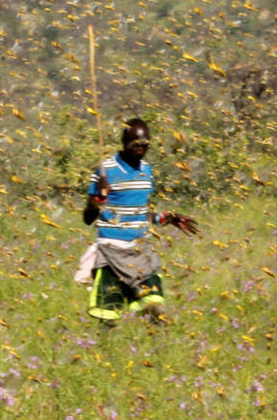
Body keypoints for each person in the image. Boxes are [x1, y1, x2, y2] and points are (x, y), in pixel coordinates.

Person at [78, 117, 198, 325]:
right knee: (108, 315)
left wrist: (167, 218)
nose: (141, 149)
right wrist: (99, 199)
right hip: (111, 249)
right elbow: (88, 218)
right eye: (136, 144)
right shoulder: (105, 170)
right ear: (124, 142)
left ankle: (159, 351)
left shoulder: (147, 170)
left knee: (153, 305)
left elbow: (140, 212)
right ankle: (103, 353)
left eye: (145, 145)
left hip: (140, 251)